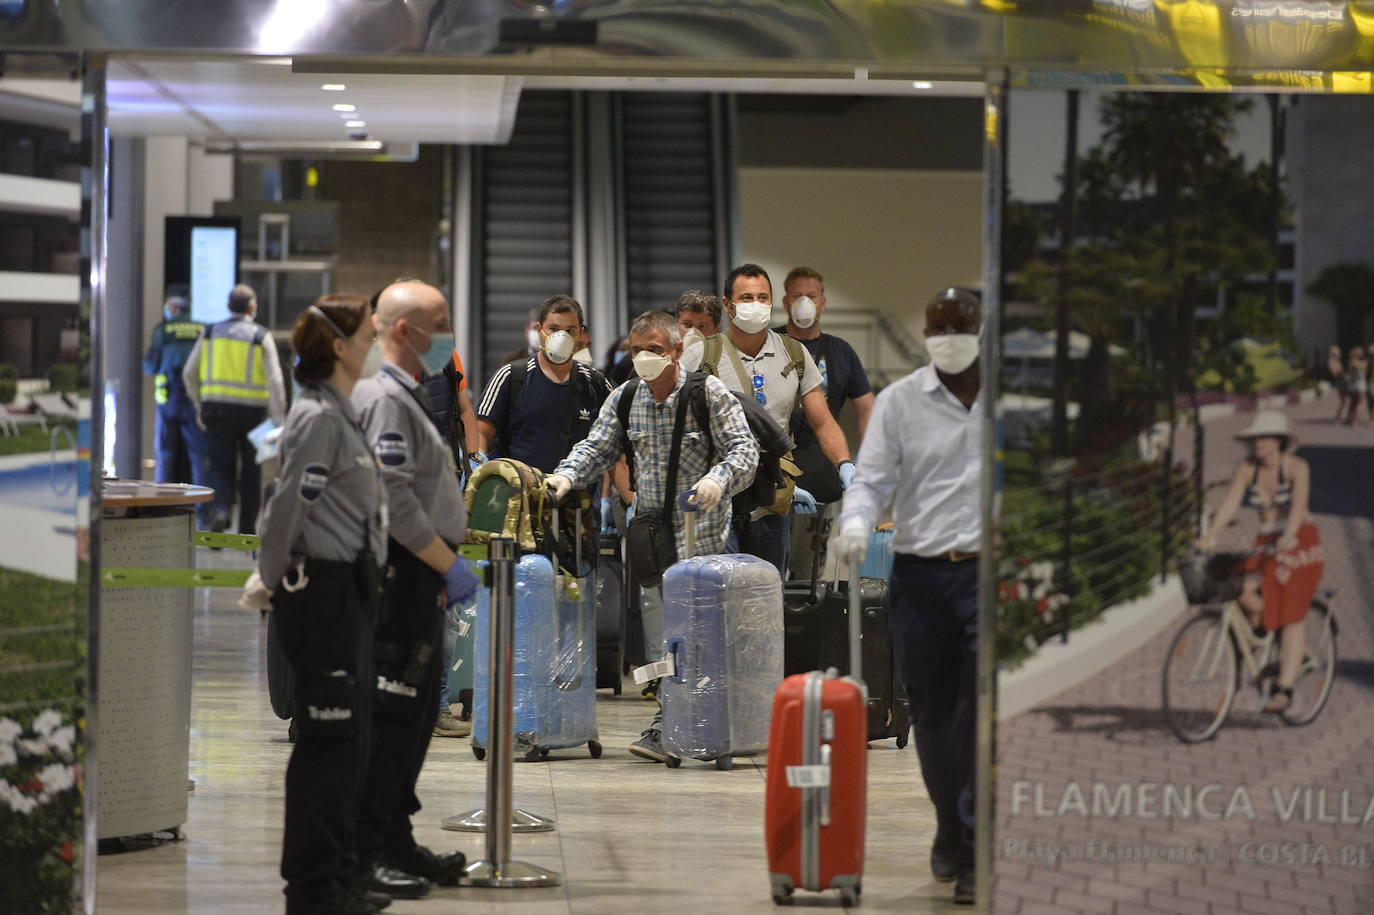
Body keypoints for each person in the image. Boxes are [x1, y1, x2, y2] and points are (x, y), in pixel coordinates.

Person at [545, 310, 759, 762]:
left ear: (678, 351)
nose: (644, 359)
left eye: (655, 351)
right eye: (637, 350)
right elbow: (597, 447)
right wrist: (565, 477)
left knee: (704, 636)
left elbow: (744, 450)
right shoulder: (625, 398)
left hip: (702, 538)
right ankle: (668, 721)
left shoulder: (708, 393)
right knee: (664, 639)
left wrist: (719, 480)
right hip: (649, 535)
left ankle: (712, 727)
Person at [832, 287, 985, 907]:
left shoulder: (1014, 402)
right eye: (938, 324)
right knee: (932, 713)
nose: (947, 333)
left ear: (980, 328)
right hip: (921, 579)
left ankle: (976, 842)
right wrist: (855, 523)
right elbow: (871, 479)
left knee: (980, 712)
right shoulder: (900, 403)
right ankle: (948, 818)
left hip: (987, 577)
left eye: (959, 324)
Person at [248, 295, 388, 915]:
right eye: (369, 334)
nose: (375, 344)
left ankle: (337, 876)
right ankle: (311, 890)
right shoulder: (318, 418)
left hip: (349, 591)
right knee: (327, 746)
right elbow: (285, 508)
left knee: (347, 744)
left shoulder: (342, 412)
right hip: (321, 595)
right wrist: (266, 576)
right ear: (339, 345)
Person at [351, 282, 481, 898]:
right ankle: (368, 847)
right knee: (393, 714)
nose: (450, 336)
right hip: (402, 576)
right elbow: (393, 498)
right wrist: (443, 564)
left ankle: (395, 835)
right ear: (406, 331)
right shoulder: (384, 399)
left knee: (417, 714)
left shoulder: (408, 394)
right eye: (442, 323)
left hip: (420, 574)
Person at [699, 263, 855, 577]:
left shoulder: (794, 354)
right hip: (717, 497)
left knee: (768, 596)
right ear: (728, 306)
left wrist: (845, 464)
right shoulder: (702, 355)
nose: (756, 305)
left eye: (762, 297)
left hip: (772, 497)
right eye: (746, 297)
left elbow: (823, 422)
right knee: (723, 593)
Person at [1199, 410, 1323, 715]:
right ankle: (1297, 652)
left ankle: (1285, 688)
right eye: (1256, 438)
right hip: (1265, 542)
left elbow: (1299, 504)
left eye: (1265, 437)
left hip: (1300, 540)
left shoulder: (1295, 467)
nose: (1259, 443)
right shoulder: (1247, 468)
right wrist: (1211, 534)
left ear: (1279, 440)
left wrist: (1290, 534)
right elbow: (1230, 502)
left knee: (1291, 613)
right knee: (1239, 589)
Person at [183, 283, 287, 534]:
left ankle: (220, 512)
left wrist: (199, 403)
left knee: (219, 466)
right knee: (252, 471)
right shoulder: (261, 336)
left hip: (216, 411)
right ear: (252, 307)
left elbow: (189, 372)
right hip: (254, 415)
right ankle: (247, 530)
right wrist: (279, 418)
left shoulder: (210, 332)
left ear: (229, 306)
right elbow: (275, 380)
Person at [475, 295, 613, 475]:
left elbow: (615, 442)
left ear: (580, 333)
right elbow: (480, 433)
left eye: (570, 331)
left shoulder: (595, 384)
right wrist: (478, 468)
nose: (561, 338)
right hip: (518, 495)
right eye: (554, 329)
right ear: (539, 329)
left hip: (577, 497)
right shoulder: (511, 376)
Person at [142, 293, 207, 489]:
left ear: (175, 308)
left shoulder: (163, 330)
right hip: (196, 395)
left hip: (168, 396)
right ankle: (202, 508)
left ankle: (162, 504)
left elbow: (149, 367)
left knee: (165, 452)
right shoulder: (202, 328)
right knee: (199, 454)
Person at [675, 289, 722, 373]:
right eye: (687, 325)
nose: (693, 332)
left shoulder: (724, 364)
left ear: (716, 328)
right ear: (676, 325)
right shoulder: (665, 363)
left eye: (702, 326)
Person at [1346, 346, 1369, 425]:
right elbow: (1364, 369)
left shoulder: (1351, 362)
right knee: (1359, 404)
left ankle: (1349, 418)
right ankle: (1355, 420)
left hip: (1352, 386)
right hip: (1360, 386)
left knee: (1353, 403)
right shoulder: (1359, 363)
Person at [1328, 345, 1350, 423]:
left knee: (1345, 401)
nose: (1339, 354)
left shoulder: (1337, 361)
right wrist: (1342, 374)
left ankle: (1340, 417)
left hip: (1343, 382)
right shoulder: (1332, 361)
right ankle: (1339, 417)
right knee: (1344, 401)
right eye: (1337, 353)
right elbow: (1334, 373)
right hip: (1340, 383)